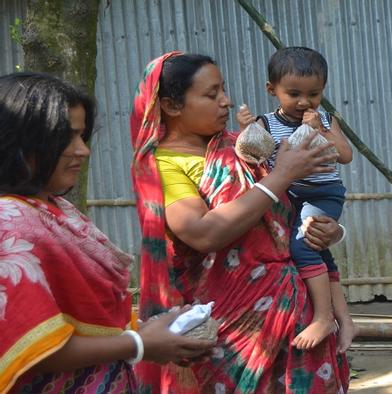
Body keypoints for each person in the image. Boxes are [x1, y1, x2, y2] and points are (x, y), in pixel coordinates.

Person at [130, 52, 350, 393]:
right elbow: (202, 233)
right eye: (211, 94)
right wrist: (282, 175)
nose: (226, 101)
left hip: (296, 310)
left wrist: (332, 230)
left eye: (224, 90)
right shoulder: (165, 165)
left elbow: (289, 213)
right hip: (229, 326)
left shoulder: (245, 145)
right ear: (172, 106)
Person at [0, 73, 214, 393]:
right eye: (66, 138)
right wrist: (139, 343)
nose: (82, 151)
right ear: (20, 141)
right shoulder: (10, 221)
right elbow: (33, 345)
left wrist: (154, 332)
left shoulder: (54, 208)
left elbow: (85, 320)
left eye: (82, 137)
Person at [236, 46, 358, 353]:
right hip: (289, 196)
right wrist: (246, 128)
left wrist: (321, 131)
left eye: (313, 94)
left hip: (323, 193)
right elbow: (253, 153)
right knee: (320, 252)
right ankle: (345, 319)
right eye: (293, 94)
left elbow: (345, 155)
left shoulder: (327, 119)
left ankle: (323, 316)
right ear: (272, 90)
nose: (304, 102)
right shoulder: (266, 122)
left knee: (303, 245)